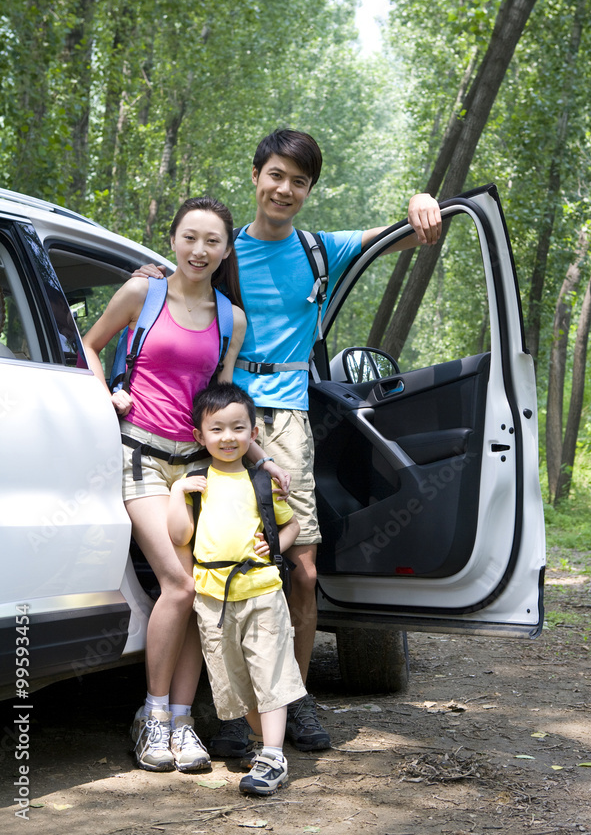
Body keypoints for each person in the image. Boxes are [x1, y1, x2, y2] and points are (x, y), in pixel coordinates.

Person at [138, 130, 442, 754]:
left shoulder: (319, 249)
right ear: (256, 177)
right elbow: (175, 284)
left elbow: (403, 238)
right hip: (221, 418)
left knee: (299, 568)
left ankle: (292, 700)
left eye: (298, 181)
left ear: (307, 191)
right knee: (215, 562)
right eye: (275, 175)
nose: (284, 189)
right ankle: (220, 710)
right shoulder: (224, 251)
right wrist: (146, 271)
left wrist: (421, 201)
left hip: (290, 420)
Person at [82, 196, 287, 774]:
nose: (200, 250)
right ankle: (150, 715)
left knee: (201, 588)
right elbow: (89, 347)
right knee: (177, 584)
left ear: (227, 250)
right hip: (141, 456)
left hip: (197, 467)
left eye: (213, 241)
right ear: (172, 240)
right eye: (190, 237)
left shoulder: (231, 318)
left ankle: (181, 722)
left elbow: (222, 406)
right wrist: (107, 395)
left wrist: (263, 459)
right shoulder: (140, 294)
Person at [168, 382, 305, 796]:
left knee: (271, 673)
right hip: (214, 598)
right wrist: (176, 492)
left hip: (262, 590)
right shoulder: (195, 483)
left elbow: (292, 522)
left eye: (238, 428)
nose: (228, 437)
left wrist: (276, 543)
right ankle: (267, 747)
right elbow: (179, 537)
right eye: (217, 429)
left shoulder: (260, 481)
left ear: (253, 433)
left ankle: (274, 755)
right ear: (200, 435)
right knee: (235, 682)